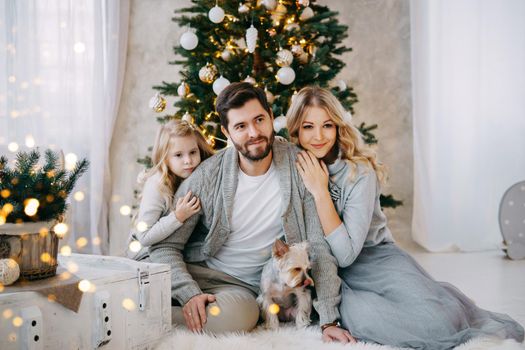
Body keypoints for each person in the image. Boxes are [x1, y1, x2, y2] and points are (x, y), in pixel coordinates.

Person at [286, 86, 525, 349]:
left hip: (375, 258)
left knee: (437, 322)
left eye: (327, 125)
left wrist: (320, 191)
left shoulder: (359, 173)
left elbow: (346, 254)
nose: (318, 136)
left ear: (338, 127)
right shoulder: (293, 169)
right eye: (308, 126)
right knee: (368, 319)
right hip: (328, 270)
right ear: (296, 129)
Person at [149, 82, 353, 343]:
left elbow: (318, 246)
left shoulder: (300, 167)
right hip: (200, 269)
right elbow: (166, 247)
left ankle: (146, 315)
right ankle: (152, 304)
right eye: (241, 126)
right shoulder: (208, 176)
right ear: (226, 131)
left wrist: (328, 320)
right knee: (142, 281)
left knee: (241, 317)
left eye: (259, 120)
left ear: (270, 117)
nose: (254, 132)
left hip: (242, 288)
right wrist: (189, 293)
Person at [127, 120, 214, 261]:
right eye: (178, 155)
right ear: (165, 158)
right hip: (144, 252)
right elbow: (144, 237)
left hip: (179, 247)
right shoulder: (157, 185)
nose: (188, 160)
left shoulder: (199, 174)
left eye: (193, 152)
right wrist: (178, 216)